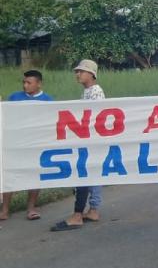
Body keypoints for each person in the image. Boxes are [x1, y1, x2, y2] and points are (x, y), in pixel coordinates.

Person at [51, 60, 106, 232]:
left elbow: (94, 118)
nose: (78, 74)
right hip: (90, 140)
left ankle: (77, 215)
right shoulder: (87, 92)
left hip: (91, 141)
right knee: (93, 175)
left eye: (81, 71)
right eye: (77, 72)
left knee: (83, 174)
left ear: (92, 74)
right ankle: (94, 210)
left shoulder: (96, 92)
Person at [2, 70, 51, 221]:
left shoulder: (48, 101)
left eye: (29, 83)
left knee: (34, 175)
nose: (25, 85)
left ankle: (31, 208)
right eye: (24, 82)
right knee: (9, 175)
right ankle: (5, 210)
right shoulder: (14, 97)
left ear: (38, 83)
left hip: (35, 145)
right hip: (15, 143)